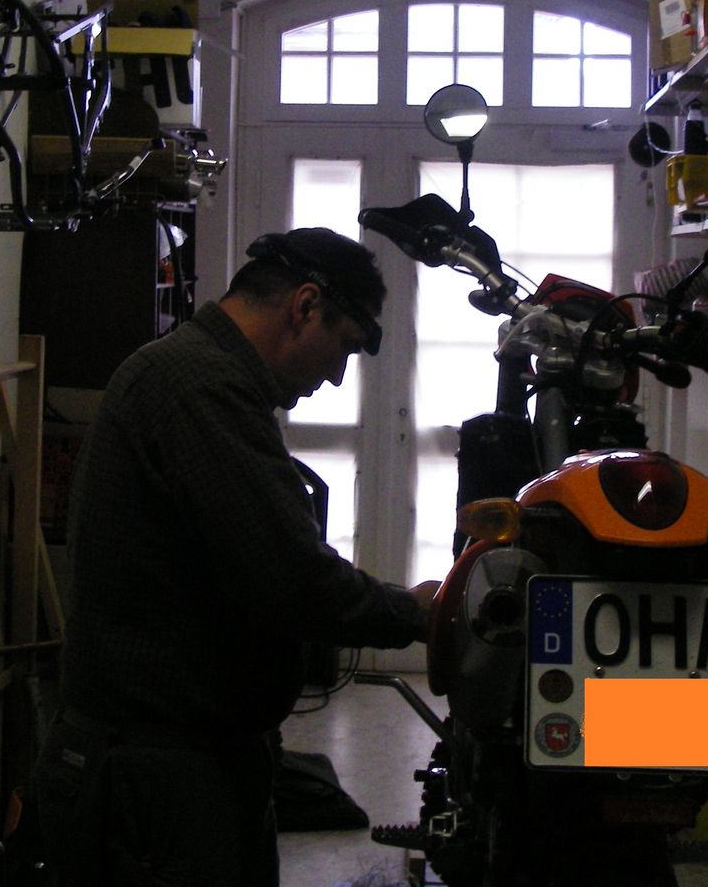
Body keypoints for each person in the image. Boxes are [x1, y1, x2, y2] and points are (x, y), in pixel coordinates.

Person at [33, 227, 440, 887]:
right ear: (305, 305)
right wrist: (419, 614)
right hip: (157, 782)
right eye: (343, 348)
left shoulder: (193, 373)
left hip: (173, 763)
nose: (336, 376)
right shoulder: (201, 388)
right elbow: (294, 580)